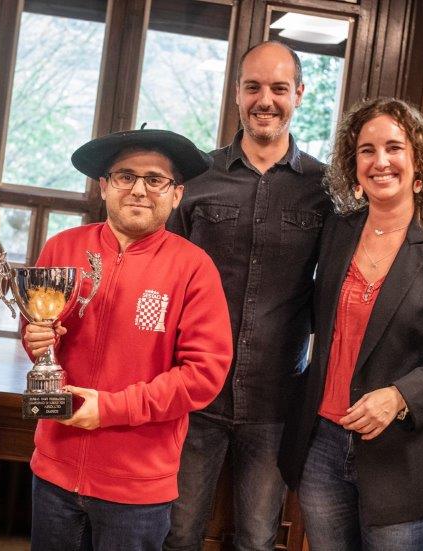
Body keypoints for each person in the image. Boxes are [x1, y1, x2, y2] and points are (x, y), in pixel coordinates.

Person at [278, 97, 423, 550]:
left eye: (394, 148)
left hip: (403, 454)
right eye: (366, 150)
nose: (380, 161)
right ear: (353, 167)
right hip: (321, 445)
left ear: (419, 164)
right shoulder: (336, 233)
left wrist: (399, 397)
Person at [22, 129, 233, 551]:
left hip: (137, 488)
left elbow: (203, 375)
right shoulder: (62, 249)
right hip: (54, 472)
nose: (139, 189)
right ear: (104, 186)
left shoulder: (194, 268)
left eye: (155, 179)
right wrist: (36, 339)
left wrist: (110, 409)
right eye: (125, 176)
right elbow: (38, 338)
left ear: (176, 194)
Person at [165, 41, 331, 550]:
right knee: (178, 535)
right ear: (237, 93)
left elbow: (336, 288)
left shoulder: (325, 189)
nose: (266, 100)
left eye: (279, 88)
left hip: (276, 400)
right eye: (253, 87)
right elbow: (164, 276)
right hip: (193, 392)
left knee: (257, 540)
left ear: (299, 94)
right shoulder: (196, 179)